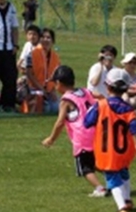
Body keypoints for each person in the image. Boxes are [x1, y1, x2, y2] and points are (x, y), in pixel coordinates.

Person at [41, 65, 107, 198]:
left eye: (54, 83)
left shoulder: (66, 100)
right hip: (95, 132)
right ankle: (115, 178)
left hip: (82, 137)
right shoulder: (84, 91)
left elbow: (60, 122)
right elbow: (99, 96)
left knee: (85, 167)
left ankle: (100, 189)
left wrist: (51, 138)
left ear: (59, 83)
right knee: (95, 161)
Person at [83, 68, 136, 212]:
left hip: (106, 150)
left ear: (107, 87)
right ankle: (128, 199)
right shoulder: (128, 109)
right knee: (124, 173)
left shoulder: (100, 105)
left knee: (112, 179)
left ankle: (122, 206)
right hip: (125, 149)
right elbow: (135, 128)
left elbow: (87, 122)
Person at [25, 27, 59, 114]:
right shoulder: (32, 54)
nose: (46, 40)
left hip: (48, 90)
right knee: (46, 109)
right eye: (43, 37)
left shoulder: (55, 57)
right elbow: (29, 73)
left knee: (56, 108)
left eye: (48, 37)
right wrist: (41, 88)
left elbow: (56, 76)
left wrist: (52, 90)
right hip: (34, 89)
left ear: (53, 41)